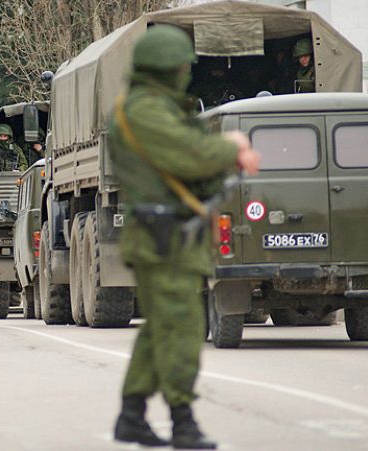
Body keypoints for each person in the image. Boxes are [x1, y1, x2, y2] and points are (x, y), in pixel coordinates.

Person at [108, 25, 261, 449]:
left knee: (161, 328)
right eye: (181, 67)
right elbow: (190, 154)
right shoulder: (145, 110)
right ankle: (182, 420)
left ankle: (132, 415)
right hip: (165, 237)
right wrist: (232, 147)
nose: (185, 74)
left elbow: (190, 153)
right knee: (183, 328)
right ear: (166, 69)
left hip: (174, 236)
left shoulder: (161, 107)